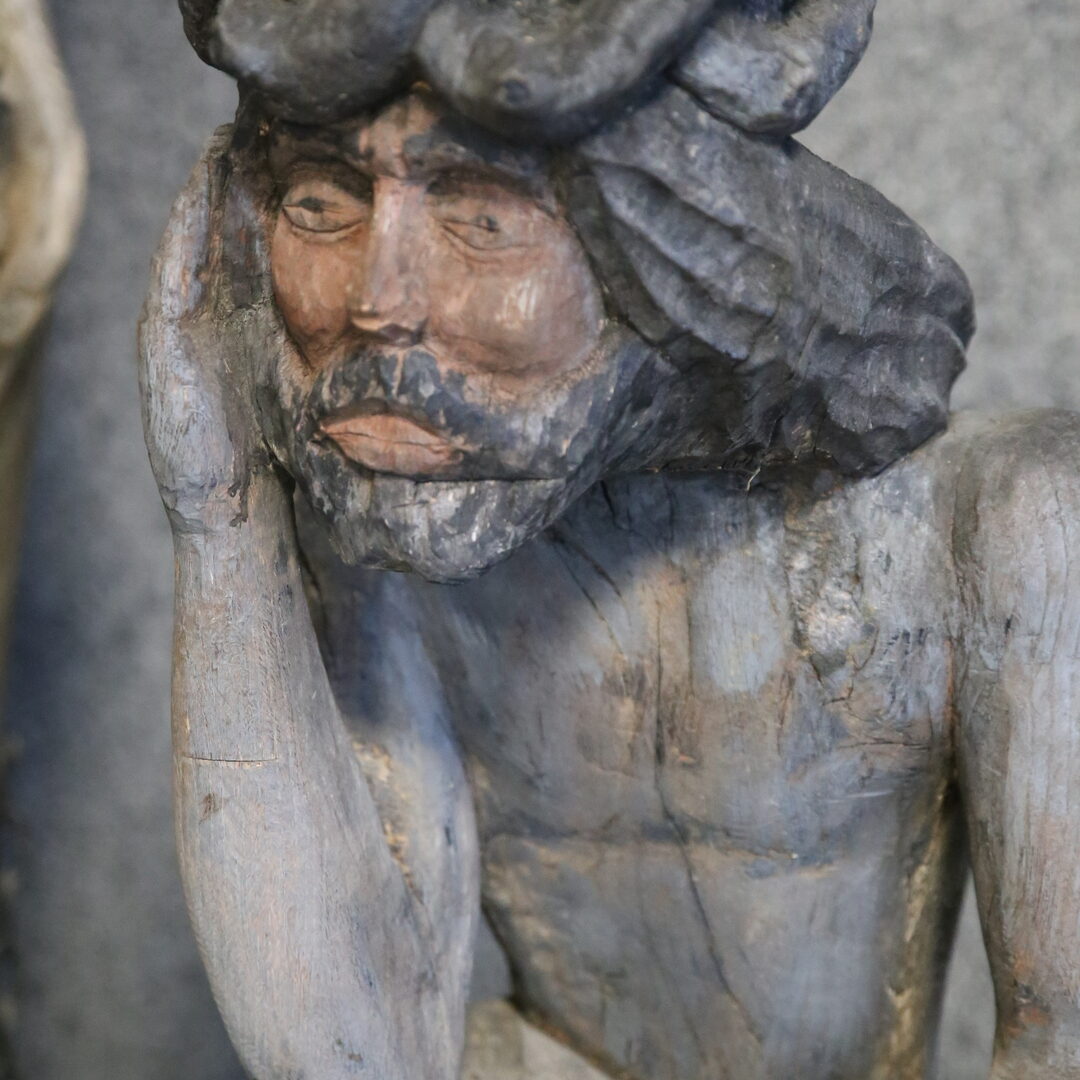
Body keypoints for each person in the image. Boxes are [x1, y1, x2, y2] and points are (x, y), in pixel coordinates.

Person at [141, 7, 1080, 1079]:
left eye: (483, 218)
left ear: (680, 249)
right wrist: (221, 523)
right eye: (320, 204)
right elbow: (349, 1057)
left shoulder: (1007, 520)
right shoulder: (405, 543)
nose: (378, 301)